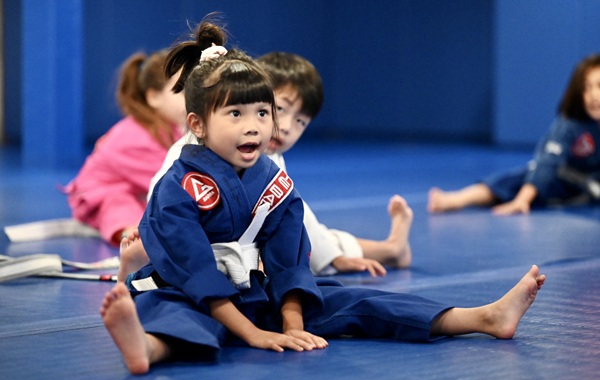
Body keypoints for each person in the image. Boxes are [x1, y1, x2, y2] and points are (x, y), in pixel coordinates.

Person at [100, 17, 546, 376]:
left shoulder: (272, 179)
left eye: (262, 112)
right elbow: (192, 269)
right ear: (197, 124)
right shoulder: (178, 183)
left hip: (249, 291)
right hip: (189, 291)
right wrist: (254, 334)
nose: (255, 125)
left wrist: (292, 320)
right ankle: (147, 348)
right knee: (181, 317)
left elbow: (290, 257)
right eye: (235, 113)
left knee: (348, 299)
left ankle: (481, 318)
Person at [118, 51, 412, 281]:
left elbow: (298, 215)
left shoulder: (267, 158)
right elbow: (162, 196)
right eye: (278, 110)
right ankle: (391, 248)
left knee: (314, 240)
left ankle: (392, 247)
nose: (284, 127)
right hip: (203, 247)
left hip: (248, 244)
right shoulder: (191, 152)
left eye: (300, 122)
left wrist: (331, 258)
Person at [428, 54, 600, 215]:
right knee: (520, 178)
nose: (593, 95)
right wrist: (522, 200)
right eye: (586, 88)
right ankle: (458, 199)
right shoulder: (569, 124)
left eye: (599, 85)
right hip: (562, 181)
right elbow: (547, 163)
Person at [64, 50, 186, 245]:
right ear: (154, 97)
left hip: (137, 190)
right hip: (98, 196)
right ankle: (132, 236)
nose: (193, 97)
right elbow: (172, 182)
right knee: (118, 203)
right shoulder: (136, 137)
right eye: (181, 90)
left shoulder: (172, 127)